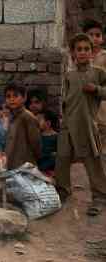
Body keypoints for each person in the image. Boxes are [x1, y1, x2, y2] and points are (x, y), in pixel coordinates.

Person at [55, 33, 106, 216]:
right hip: (68, 125)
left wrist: (97, 90)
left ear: (92, 53)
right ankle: (62, 192)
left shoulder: (98, 73)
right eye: (79, 49)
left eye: (86, 49)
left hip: (87, 125)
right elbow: (64, 100)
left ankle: (99, 198)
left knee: (93, 162)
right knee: (62, 159)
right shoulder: (69, 76)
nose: (83, 53)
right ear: (73, 53)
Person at [0, 83, 41, 170]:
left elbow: (36, 144)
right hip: (11, 164)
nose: (12, 99)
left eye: (15, 96)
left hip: (24, 166)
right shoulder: (11, 117)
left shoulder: (28, 117)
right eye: (8, 97)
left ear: (24, 97)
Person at [82, 19, 106, 153]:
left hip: (102, 106)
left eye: (98, 35)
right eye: (91, 35)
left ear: (102, 39)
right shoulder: (79, 56)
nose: (94, 38)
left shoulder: (104, 57)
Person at [36, 110, 58, 175]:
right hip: (38, 165)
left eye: (39, 120)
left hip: (50, 168)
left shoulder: (56, 137)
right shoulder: (37, 136)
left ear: (48, 123)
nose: (35, 122)